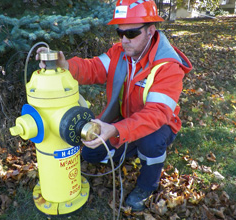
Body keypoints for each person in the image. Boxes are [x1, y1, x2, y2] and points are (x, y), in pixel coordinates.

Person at [37, 0, 192, 212]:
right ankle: (132, 146)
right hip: (125, 121)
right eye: (120, 33)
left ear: (150, 31)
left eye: (131, 34)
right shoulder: (119, 52)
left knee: (151, 140)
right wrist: (66, 66)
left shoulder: (168, 67)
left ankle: (147, 184)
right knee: (90, 154)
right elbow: (94, 68)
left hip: (157, 126)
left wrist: (116, 130)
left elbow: (156, 114)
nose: (124, 40)